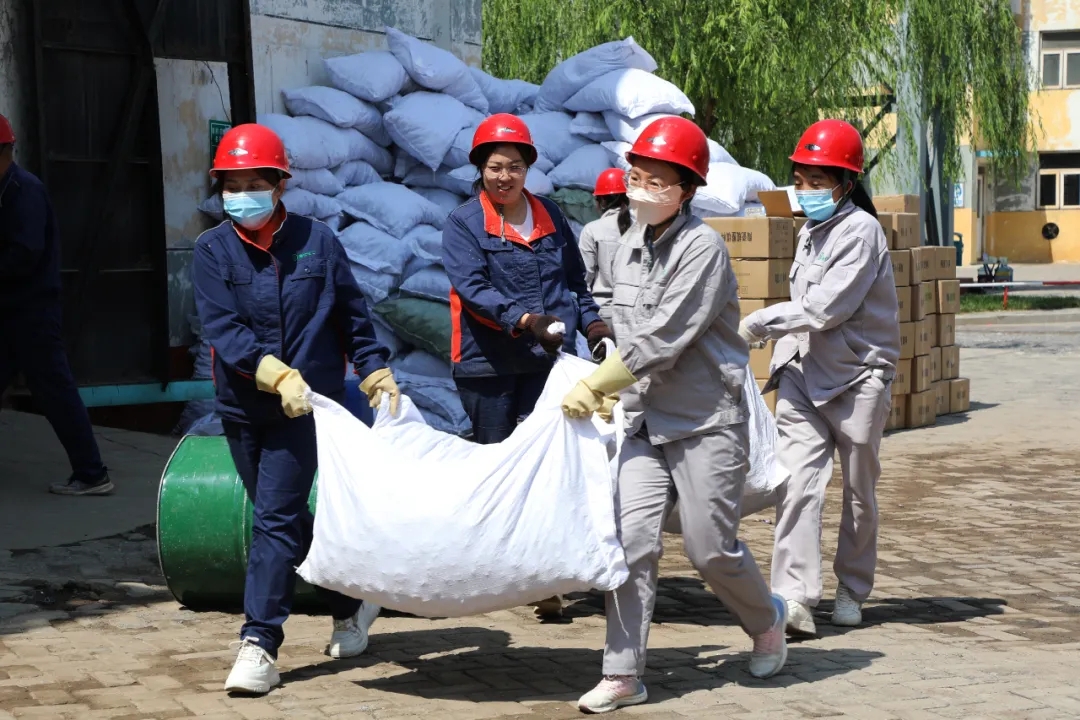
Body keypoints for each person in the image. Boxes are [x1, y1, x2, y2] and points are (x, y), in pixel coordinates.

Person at [561, 116, 788, 714]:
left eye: (656, 180)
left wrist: (601, 381)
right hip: (642, 420)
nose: (641, 189)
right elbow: (615, 309)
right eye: (636, 176)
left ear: (685, 189)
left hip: (704, 419)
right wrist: (605, 368)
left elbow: (664, 336)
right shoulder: (630, 240)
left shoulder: (703, 249)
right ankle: (623, 673)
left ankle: (767, 619)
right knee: (631, 541)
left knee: (709, 550)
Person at [192, 124, 400, 694]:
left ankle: (260, 642)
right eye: (231, 184)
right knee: (283, 524)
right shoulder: (212, 250)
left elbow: (351, 315)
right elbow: (224, 330)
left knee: (274, 522)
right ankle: (350, 600)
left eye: (254, 182)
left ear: (279, 185)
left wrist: (373, 365)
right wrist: (272, 372)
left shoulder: (317, 242)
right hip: (243, 406)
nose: (242, 194)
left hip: (304, 410)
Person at [442, 113, 614, 621]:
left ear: (528, 169)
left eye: (514, 167)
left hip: (548, 363)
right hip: (488, 365)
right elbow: (473, 290)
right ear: (480, 168)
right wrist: (525, 319)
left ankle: (545, 575)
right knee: (499, 465)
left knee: (553, 466)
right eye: (495, 167)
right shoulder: (464, 223)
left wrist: (596, 330)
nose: (504, 177)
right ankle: (498, 570)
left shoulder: (551, 216)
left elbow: (575, 287)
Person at [739, 119, 899, 637]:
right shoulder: (811, 231)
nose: (804, 192)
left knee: (858, 491)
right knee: (798, 485)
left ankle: (852, 587)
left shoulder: (862, 231)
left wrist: (758, 323)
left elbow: (826, 308)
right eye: (800, 180)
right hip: (804, 374)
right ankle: (795, 596)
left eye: (816, 182)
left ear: (845, 184)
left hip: (858, 378)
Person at [0, 112, 113, 496]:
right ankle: (90, 471)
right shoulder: (6, 190)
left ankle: (92, 472)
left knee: (55, 391)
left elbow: (24, 254)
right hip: (10, 312)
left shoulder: (23, 192)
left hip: (31, 313)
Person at [577, 168, 632, 330]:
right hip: (637, 316)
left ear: (600, 202)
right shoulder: (645, 227)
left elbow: (583, 278)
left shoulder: (592, 230)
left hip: (603, 315)